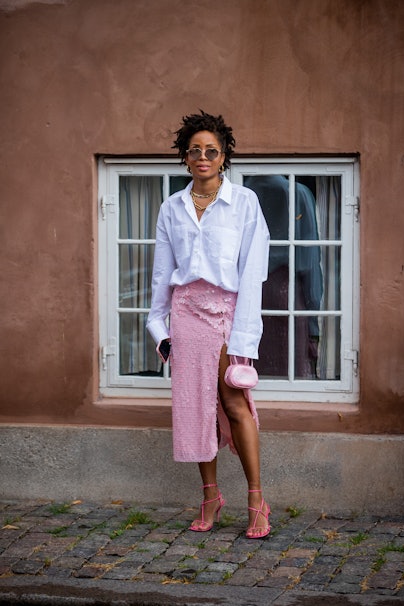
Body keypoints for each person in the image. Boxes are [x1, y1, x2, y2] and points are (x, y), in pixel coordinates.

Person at [147, 110, 271, 539]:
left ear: (224, 158)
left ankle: (256, 500)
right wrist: (158, 328)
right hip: (184, 316)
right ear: (185, 157)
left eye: (212, 151)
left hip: (226, 313)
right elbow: (162, 274)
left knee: (235, 405)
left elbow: (253, 270)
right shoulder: (171, 208)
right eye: (195, 150)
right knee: (196, 410)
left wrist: (243, 335)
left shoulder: (245, 204)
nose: (203, 157)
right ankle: (211, 496)